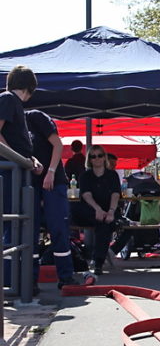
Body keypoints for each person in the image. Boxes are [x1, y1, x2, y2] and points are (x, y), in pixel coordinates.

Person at [25, 110, 84, 291]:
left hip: (52, 181)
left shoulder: (35, 117)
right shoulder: (12, 126)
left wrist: (50, 172)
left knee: (58, 228)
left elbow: (57, 144)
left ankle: (66, 276)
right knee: (29, 232)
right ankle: (30, 281)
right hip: (30, 183)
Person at [0, 66, 43, 286]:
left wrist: (30, 159)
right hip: (9, 173)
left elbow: (15, 139)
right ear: (29, 89)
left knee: (17, 226)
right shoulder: (8, 99)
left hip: (18, 170)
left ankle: (14, 281)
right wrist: (16, 158)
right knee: (10, 226)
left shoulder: (12, 102)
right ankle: (9, 282)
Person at [70, 145, 120, 275]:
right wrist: (97, 209)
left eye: (100, 155)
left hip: (108, 210)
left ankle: (98, 262)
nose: (97, 158)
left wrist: (111, 210)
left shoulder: (112, 175)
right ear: (89, 160)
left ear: (104, 157)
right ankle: (96, 259)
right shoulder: (85, 176)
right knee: (100, 220)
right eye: (93, 156)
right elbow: (86, 195)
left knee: (104, 223)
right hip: (89, 209)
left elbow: (116, 194)